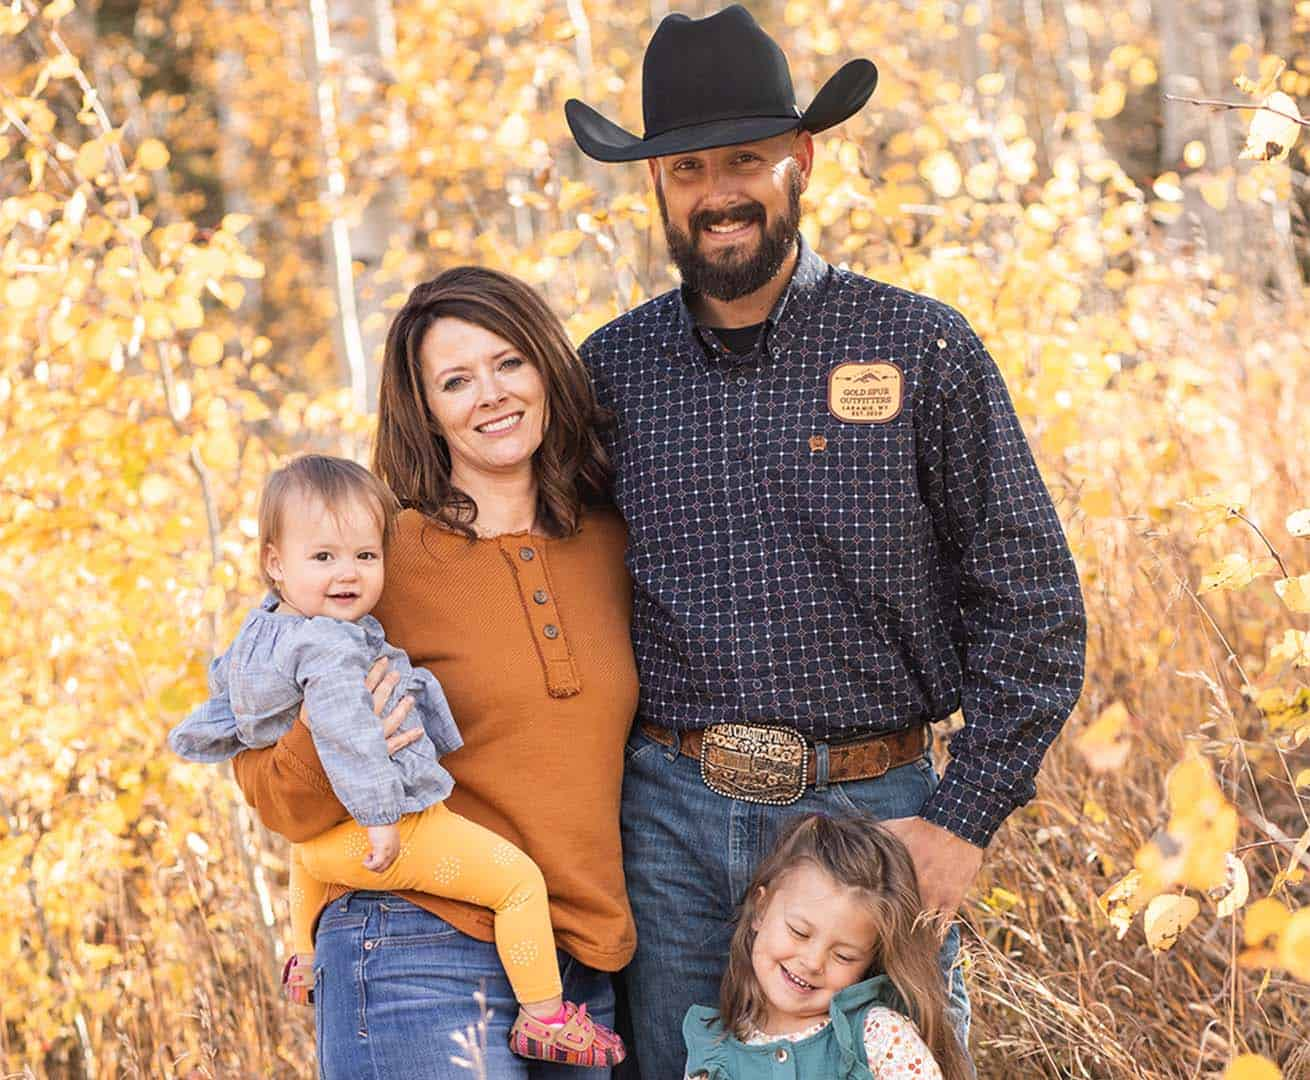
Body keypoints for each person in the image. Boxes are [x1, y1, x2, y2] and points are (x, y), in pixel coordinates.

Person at [565, 6, 1087, 1077]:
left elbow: (1031, 600)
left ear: (799, 160)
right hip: (668, 826)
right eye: (687, 168)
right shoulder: (610, 374)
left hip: (875, 824)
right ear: (655, 185)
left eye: (744, 160)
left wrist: (964, 817)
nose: (717, 193)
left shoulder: (919, 345)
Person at [218, 268, 640, 1078]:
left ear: (548, 368)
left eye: (508, 363)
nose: (490, 394)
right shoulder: (377, 563)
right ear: (426, 410)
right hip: (418, 945)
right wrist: (335, 720)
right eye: (456, 380)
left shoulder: (614, 542)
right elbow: (271, 790)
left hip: (578, 961)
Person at [168, 453, 625, 1069]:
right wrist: (382, 811)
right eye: (323, 557)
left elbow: (232, 700)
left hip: (333, 855)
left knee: (310, 860)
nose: (348, 573)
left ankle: (302, 959)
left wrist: (202, 730)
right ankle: (545, 1016)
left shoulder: (268, 630)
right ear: (274, 562)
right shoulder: (330, 644)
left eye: (364, 556)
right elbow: (343, 736)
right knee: (519, 883)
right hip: (397, 849)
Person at [682, 813, 970, 1080]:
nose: (813, 961)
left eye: (844, 956)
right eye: (799, 932)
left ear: (870, 960)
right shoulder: (714, 1051)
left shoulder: (880, 1037)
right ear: (761, 908)